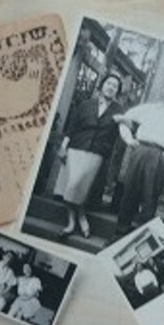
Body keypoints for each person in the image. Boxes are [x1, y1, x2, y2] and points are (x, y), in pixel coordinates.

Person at [112, 77, 164, 238]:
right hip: (140, 151)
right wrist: (129, 139)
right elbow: (124, 119)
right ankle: (118, 234)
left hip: (160, 157)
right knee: (129, 193)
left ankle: (140, 238)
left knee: (149, 198)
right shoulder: (148, 109)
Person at [54, 73, 123, 238]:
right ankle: (75, 220)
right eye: (109, 83)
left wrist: (124, 122)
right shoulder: (85, 105)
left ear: (117, 91)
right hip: (76, 148)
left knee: (79, 185)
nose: (111, 87)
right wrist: (63, 147)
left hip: (96, 153)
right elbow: (72, 128)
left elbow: (124, 131)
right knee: (71, 185)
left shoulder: (118, 111)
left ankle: (79, 216)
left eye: (115, 86)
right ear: (102, 85)